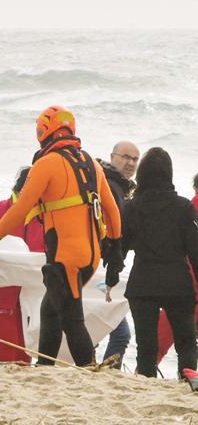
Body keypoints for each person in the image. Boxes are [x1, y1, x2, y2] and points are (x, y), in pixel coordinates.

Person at [0, 106, 122, 367]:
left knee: (72, 318)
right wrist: (116, 249)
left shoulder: (46, 164)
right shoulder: (91, 164)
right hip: (90, 256)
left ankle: (89, 370)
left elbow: (20, 209)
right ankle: (45, 367)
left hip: (65, 257)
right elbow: (112, 210)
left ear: (44, 132)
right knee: (50, 311)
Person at [117, 147, 198, 378]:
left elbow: (122, 247)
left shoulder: (131, 207)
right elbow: (195, 252)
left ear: (142, 174)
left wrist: (112, 273)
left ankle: (146, 384)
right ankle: (188, 384)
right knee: (186, 343)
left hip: (142, 283)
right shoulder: (184, 207)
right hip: (178, 284)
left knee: (146, 346)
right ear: (168, 174)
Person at [0, 167, 44, 364]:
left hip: (31, 294)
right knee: (7, 344)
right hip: (0, 291)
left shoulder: (45, 215)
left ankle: (18, 390)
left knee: (26, 350)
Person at [95, 140, 139, 368]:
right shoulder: (110, 186)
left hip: (102, 269)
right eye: (125, 157)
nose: (130, 163)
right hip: (97, 270)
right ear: (113, 157)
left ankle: (95, 370)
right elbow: (112, 232)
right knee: (120, 333)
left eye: (135, 159)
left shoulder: (120, 186)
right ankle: (105, 372)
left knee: (96, 324)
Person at [154, 172, 198, 369]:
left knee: (165, 334)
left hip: (186, 284)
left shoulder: (190, 207)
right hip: (189, 284)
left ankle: (145, 371)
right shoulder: (191, 208)